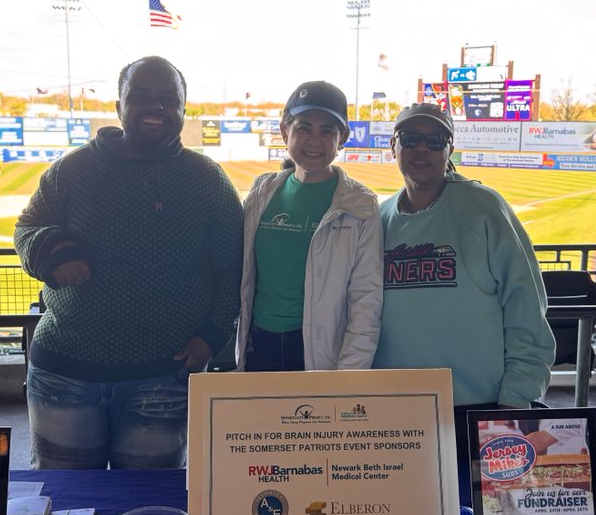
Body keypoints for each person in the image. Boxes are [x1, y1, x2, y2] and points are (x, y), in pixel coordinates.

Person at [14, 55, 243, 469]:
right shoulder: (72, 170)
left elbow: (232, 268)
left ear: (183, 110)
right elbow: (28, 226)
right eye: (139, 97)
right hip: (63, 375)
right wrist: (51, 251)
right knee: (66, 511)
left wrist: (212, 335)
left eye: (167, 99)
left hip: (162, 379)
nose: (154, 107)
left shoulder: (208, 179)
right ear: (118, 106)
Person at [374, 103, 555, 449]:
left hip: (481, 409)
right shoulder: (378, 218)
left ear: (451, 148)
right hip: (395, 409)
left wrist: (516, 398)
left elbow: (526, 306)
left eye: (436, 139)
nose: (422, 148)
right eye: (410, 138)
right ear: (393, 146)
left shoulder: (484, 208)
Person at [235, 81, 382, 372]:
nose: (314, 140)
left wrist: (349, 376)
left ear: (343, 138)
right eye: (304, 127)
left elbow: (366, 301)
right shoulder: (261, 194)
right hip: (259, 347)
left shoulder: (360, 206)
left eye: (327, 130)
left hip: (319, 354)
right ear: (284, 131)